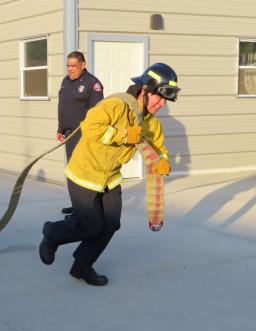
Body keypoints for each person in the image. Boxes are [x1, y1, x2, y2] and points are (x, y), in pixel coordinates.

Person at [39, 63, 180, 286]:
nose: (161, 104)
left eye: (165, 100)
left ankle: (81, 266)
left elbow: (158, 147)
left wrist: (163, 161)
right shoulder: (116, 105)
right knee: (92, 225)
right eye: (158, 97)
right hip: (84, 173)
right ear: (145, 89)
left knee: (111, 223)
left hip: (109, 177)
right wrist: (124, 134)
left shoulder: (150, 122)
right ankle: (52, 234)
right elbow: (90, 127)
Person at [57, 51, 104, 216]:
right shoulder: (66, 81)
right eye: (68, 66)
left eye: (73, 66)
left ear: (83, 65)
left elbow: (98, 115)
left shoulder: (93, 84)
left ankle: (86, 209)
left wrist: (91, 138)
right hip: (69, 134)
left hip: (83, 136)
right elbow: (64, 106)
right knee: (72, 173)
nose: (69, 69)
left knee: (83, 174)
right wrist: (60, 128)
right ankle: (77, 205)